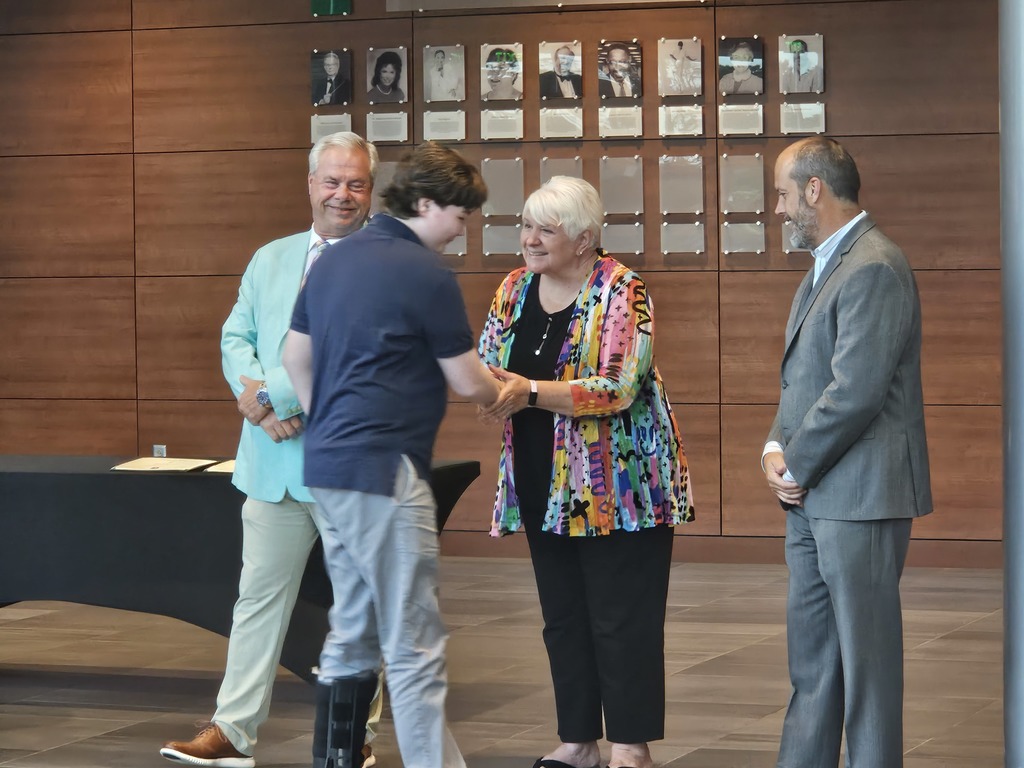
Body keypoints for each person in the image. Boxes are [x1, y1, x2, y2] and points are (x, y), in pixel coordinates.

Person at [158, 132, 382, 768]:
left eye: (356, 183)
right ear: (310, 184)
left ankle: (353, 736)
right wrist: (253, 399)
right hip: (272, 465)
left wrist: (272, 402)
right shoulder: (271, 257)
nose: (343, 194)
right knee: (256, 602)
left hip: (346, 467)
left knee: (355, 610)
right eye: (332, 181)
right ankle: (232, 731)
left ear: (371, 192)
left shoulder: (380, 264)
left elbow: (351, 353)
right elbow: (237, 334)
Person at [282, 142, 500, 768]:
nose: (462, 231)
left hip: (327, 466)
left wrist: (326, 419)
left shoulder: (330, 262)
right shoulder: (426, 273)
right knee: (415, 644)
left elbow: (296, 357)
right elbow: (465, 380)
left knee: (353, 631)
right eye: (459, 217)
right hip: (384, 471)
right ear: (427, 202)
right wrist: (502, 391)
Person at [477, 176, 694, 768]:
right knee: (563, 619)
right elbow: (487, 363)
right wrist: (486, 386)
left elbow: (618, 388)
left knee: (622, 619)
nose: (530, 239)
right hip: (539, 477)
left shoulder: (624, 289)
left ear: (585, 238)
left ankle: (629, 744)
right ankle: (578, 741)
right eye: (526, 226)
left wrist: (529, 391)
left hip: (620, 485)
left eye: (546, 230)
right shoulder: (514, 288)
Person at [763, 136, 933, 768]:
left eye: (782, 193)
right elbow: (802, 380)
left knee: (867, 671)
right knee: (814, 668)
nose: (777, 209)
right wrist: (776, 450)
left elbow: (855, 391)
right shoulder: (828, 265)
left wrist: (795, 464)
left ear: (815, 190)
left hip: (860, 497)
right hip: (814, 497)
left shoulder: (874, 265)